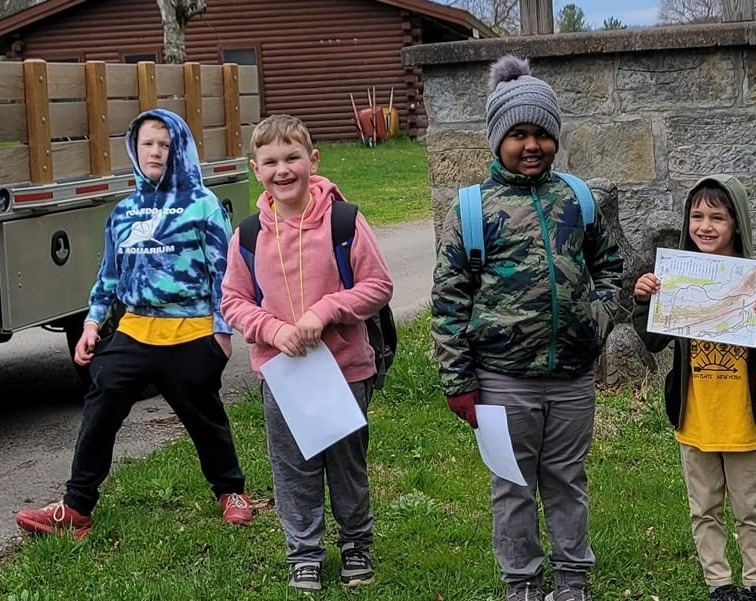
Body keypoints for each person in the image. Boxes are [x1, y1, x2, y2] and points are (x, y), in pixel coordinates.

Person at [430, 56, 622, 601]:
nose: (531, 145)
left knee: (566, 480)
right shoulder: (473, 209)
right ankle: (521, 581)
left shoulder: (576, 200)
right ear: (497, 139)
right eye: (518, 134)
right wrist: (458, 380)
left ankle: (571, 579)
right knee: (512, 486)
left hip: (572, 378)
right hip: (501, 379)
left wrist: (599, 316)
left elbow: (609, 265)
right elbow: (448, 301)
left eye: (541, 133)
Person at [15, 109, 253, 539]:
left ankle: (231, 491)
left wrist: (221, 332)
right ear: (134, 149)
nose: (156, 151)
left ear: (178, 148)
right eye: (147, 143)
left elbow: (225, 272)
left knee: (205, 418)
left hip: (193, 332)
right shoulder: (124, 212)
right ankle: (76, 508)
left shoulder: (203, 205)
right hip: (134, 331)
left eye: (164, 143)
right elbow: (108, 275)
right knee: (101, 405)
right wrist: (91, 324)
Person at [222, 113, 393, 592]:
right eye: (270, 161)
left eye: (292, 157)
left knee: (346, 464)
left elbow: (378, 285)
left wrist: (326, 311)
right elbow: (232, 300)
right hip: (284, 375)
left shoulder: (344, 220)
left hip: (345, 368)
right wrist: (273, 331)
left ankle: (356, 544)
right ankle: (304, 553)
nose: (283, 169)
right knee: (293, 467)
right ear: (255, 169)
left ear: (312, 160)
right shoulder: (250, 234)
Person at [632, 174, 756, 601]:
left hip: (744, 417)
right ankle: (719, 584)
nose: (705, 226)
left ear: (737, 223)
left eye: (717, 217)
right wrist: (643, 302)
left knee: (749, 508)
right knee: (703, 507)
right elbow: (652, 341)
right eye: (697, 216)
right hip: (696, 417)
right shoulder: (675, 276)